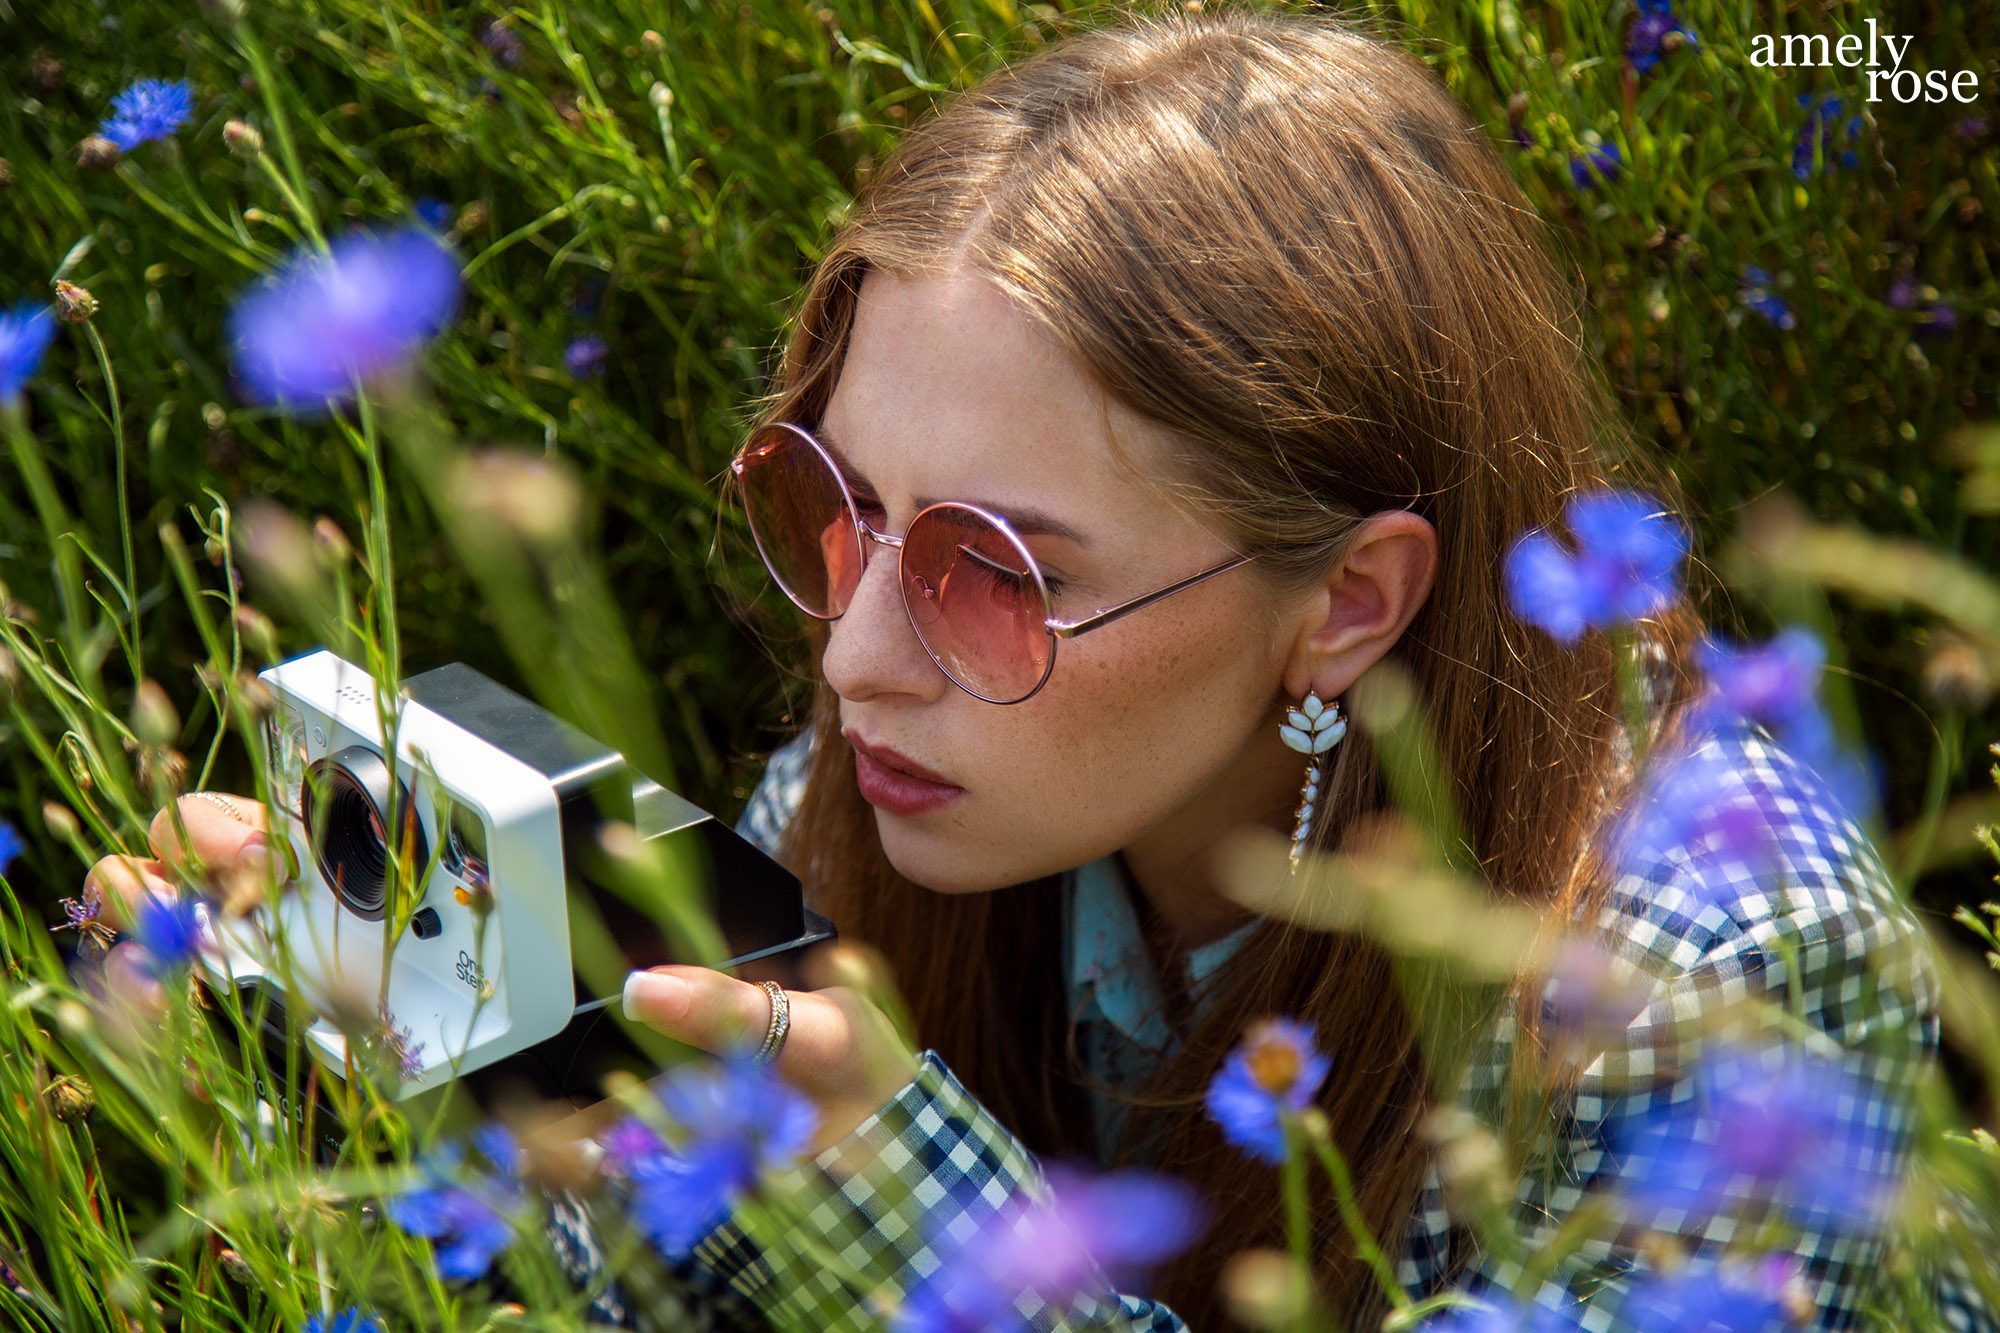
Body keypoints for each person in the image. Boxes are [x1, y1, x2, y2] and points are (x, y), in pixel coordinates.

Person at [83, 8, 1992, 1332]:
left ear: (1346, 603)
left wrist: (904, 1211)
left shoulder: (1700, 967)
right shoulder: (901, 813)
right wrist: (325, 1109)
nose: (850, 656)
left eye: (995, 572)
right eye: (834, 504)